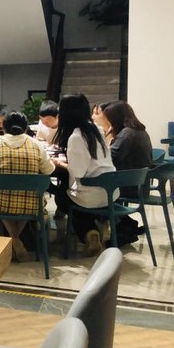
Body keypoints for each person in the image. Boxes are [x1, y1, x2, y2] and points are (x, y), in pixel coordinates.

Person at [0, 111, 55, 262]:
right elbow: (49, 170)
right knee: (25, 199)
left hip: (1, 204)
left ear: (4, 127)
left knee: (0, 200)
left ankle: (13, 239)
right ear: (26, 128)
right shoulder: (36, 144)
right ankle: (16, 239)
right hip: (32, 205)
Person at [51, 94, 116, 257]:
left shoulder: (76, 137)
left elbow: (78, 172)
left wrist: (59, 163)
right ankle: (97, 226)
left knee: (62, 198)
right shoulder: (97, 130)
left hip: (89, 193)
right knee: (70, 194)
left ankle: (89, 233)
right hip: (110, 192)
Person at [103, 100, 153, 244]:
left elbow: (110, 158)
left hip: (128, 186)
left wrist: (108, 138)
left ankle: (123, 230)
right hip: (139, 184)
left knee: (96, 193)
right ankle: (128, 224)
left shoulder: (126, 134)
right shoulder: (140, 131)